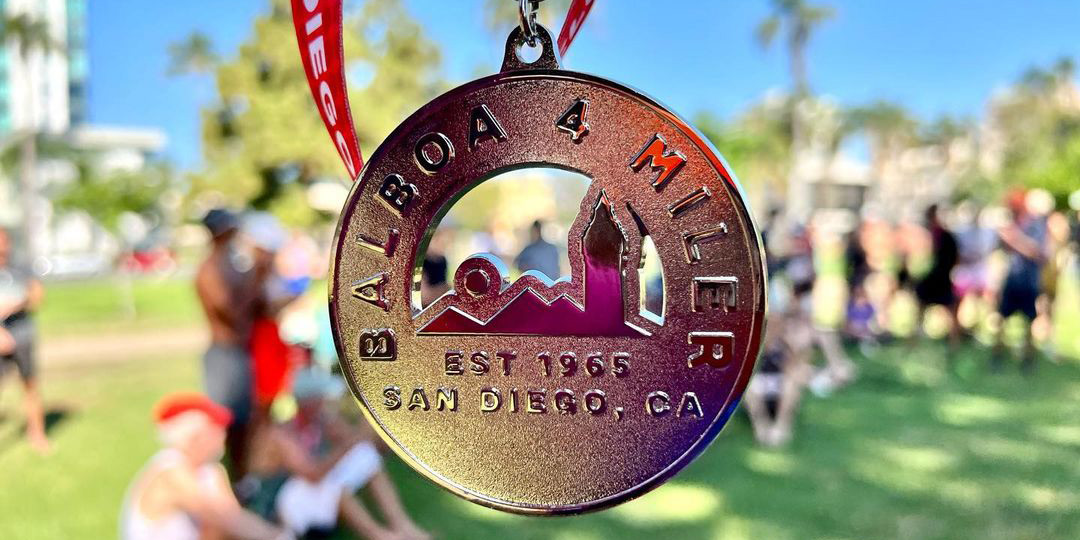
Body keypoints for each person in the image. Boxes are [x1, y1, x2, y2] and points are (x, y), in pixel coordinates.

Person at [241, 368, 429, 540]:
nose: (327, 402)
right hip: (275, 506)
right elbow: (313, 474)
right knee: (334, 488)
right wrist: (354, 439)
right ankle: (380, 536)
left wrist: (364, 428)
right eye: (322, 398)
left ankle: (402, 525)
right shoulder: (282, 434)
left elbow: (361, 444)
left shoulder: (318, 422)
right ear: (309, 401)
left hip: (303, 494)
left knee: (366, 456)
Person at [120, 392, 292, 540]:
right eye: (215, 430)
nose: (222, 437)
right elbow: (221, 516)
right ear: (194, 436)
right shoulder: (170, 472)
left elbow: (230, 521)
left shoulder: (211, 472)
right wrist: (274, 536)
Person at [0, 228, 48, 453]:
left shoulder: (20, 266)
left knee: (30, 385)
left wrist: (18, 303)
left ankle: (37, 435)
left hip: (22, 335)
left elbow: (37, 296)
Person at [994, 190, 1048, 373]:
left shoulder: (1036, 226)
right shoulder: (1013, 224)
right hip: (1012, 278)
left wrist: (1013, 238)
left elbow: (1037, 252)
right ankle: (998, 356)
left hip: (1028, 281)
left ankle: (1028, 359)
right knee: (1001, 318)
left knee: (1029, 321)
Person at [914, 204, 961, 344]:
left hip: (940, 278)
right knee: (922, 309)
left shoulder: (943, 235)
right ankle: (915, 341)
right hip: (933, 278)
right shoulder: (932, 234)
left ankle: (954, 341)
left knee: (950, 311)